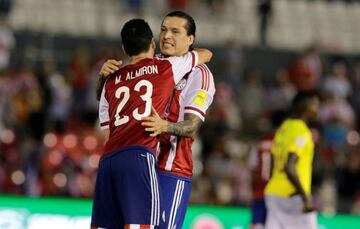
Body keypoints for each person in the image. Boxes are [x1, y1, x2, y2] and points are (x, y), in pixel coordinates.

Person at [97, 11, 216, 229]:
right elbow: (109, 101)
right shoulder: (153, 63)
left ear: (190, 40)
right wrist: (103, 78)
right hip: (140, 163)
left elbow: (191, 127)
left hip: (170, 170)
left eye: (175, 31)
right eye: (163, 30)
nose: (166, 36)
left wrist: (165, 126)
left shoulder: (200, 74)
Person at [264, 91, 320, 229]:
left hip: (273, 192)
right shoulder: (302, 132)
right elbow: (290, 166)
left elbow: (272, 158)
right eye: (315, 105)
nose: (318, 109)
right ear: (305, 106)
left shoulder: (283, 128)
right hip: (292, 196)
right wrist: (306, 197)